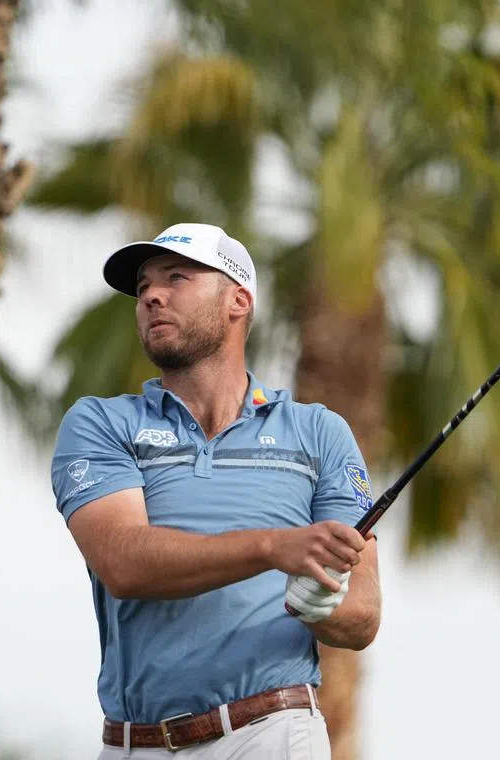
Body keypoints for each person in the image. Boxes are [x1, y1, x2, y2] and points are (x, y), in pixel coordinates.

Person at [50, 222, 382, 759]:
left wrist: (326, 602)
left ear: (238, 300)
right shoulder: (101, 423)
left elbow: (363, 615)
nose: (152, 295)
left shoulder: (319, 432)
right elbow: (123, 563)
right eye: (142, 288)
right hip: (137, 742)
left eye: (176, 277)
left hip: (273, 732)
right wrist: (274, 548)